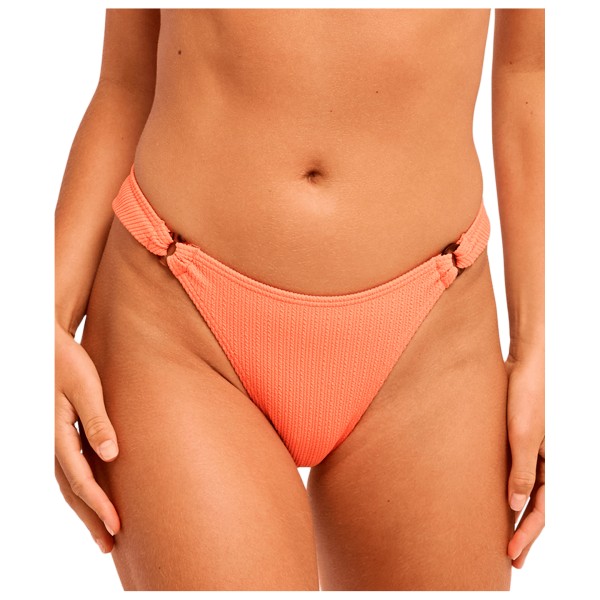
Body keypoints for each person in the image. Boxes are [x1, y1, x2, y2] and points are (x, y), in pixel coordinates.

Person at [54, 8, 544, 591]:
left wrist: (541, 344)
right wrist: (44, 325)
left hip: (433, 338)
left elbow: (527, 72)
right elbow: (126, 80)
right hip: (177, 323)